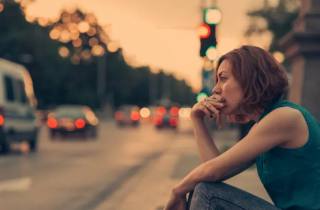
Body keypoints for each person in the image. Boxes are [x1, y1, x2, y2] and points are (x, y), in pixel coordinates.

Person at [164, 45, 320, 210]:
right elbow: (214, 170)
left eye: (223, 78)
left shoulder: (285, 117)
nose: (215, 89)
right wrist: (197, 119)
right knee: (204, 187)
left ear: (250, 79)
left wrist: (177, 191)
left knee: (206, 193)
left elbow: (212, 171)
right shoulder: (262, 126)